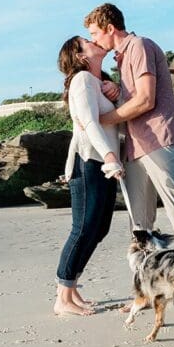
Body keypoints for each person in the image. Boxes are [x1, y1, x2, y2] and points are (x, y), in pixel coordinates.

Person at [85, 2, 174, 317]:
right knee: (139, 226)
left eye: (93, 33)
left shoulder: (140, 46)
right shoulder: (121, 59)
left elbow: (146, 99)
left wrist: (102, 118)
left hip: (160, 141)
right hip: (135, 148)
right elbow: (133, 97)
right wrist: (118, 92)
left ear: (109, 28)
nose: (92, 39)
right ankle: (144, 293)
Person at [54, 36, 123, 317]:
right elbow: (88, 123)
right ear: (81, 55)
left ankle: (72, 289)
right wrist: (109, 155)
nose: (95, 40)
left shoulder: (98, 82)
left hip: (102, 162)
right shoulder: (82, 80)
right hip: (88, 162)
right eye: (87, 41)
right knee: (83, 228)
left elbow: (114, 119)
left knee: (99, 228)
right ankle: (62, 297)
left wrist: (118, 93)